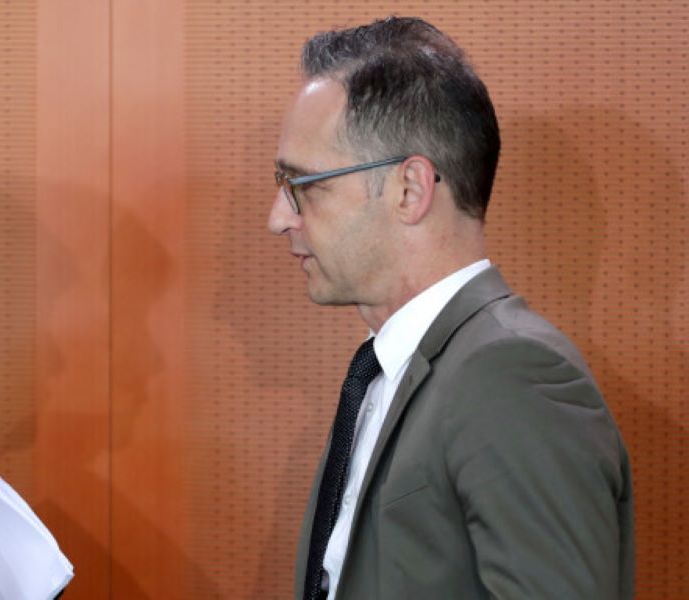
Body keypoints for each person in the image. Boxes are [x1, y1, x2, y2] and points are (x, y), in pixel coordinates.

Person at [268, 17, 633, 599]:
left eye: (304, 185)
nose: (279, 218)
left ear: (411, 189)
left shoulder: (512, 377)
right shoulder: (384, 371)